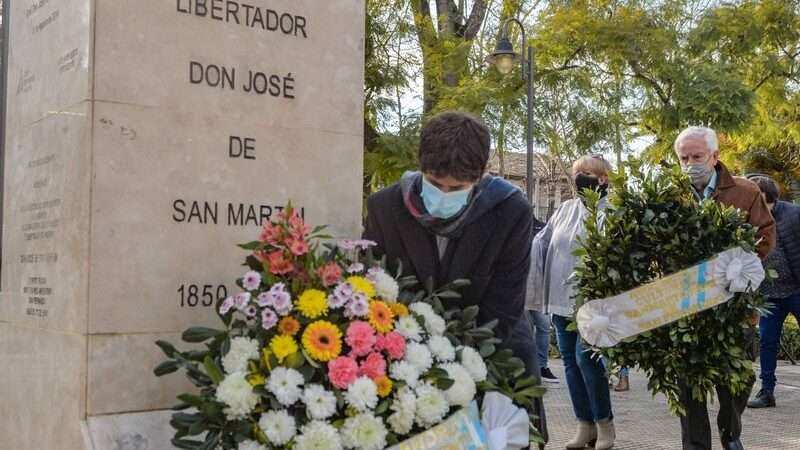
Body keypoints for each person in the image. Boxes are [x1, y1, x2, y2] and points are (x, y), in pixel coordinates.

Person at [363, 111, 548, 445]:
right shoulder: (384, 208)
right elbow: (378, 292)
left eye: (457, 188)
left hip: (496, 358)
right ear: (420, 166)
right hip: (408, 364)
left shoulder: (510, 210)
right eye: (434, 184)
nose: (444, 194)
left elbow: (504, 308)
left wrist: (458, 373)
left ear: (481, 176)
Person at [673, 126, 776, 450]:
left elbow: (765, 235)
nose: (691, 163)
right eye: (684, 158)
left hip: (736, 306)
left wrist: (737, 266)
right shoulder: (671, 194)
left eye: (697, 156)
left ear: (715, 157)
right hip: (687, 310)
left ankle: (730, 433)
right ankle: (696, 445)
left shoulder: (745, 192)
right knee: (689, 386)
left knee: (738, 381)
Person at [532, 154, 615, 450]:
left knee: (586, 359)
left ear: (603, 178)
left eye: (588, 172)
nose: (581, 177)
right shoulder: (565, 209)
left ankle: (605, 424)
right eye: (577, 172)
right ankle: (585, 425)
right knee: (569, 363)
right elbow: (541, 241)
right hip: (559, 297)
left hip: (593, 301)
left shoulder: (613, 211)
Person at [746, 176, 800, 409]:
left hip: (797, 289)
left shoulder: (794, 215)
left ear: (773, 200)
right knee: (767, 342)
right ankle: (767, 391)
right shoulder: (746, 220)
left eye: (763, 204)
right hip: (769, 294)